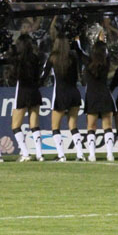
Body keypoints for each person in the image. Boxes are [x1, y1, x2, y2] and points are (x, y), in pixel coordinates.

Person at [41, 33, 82, 162]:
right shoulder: (73, 57)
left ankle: (61, 155)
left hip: (60, 93)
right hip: (74, 93)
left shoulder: (53, 58)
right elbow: (77, 75)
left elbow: (44, 76)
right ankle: (80, 154)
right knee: (73, 125)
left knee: (55, 127)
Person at [77, 32, 116, 162]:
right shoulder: (106, 63)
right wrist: (102, 41)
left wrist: (77, 39)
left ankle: (92, 155)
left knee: (91, 126)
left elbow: (79, 51)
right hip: (105, 95)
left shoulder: (88, 62)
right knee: (107, 125)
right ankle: (110, 154)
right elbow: (108, 53)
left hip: (92, 96)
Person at [10, 34, 44, 162]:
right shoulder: (35, 58)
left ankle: (25, 153)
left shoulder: (18, 59)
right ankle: (40, 154)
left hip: (23, 92)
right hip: (35, 91)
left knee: (15, 125)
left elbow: (13, 77)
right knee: (34, 125)